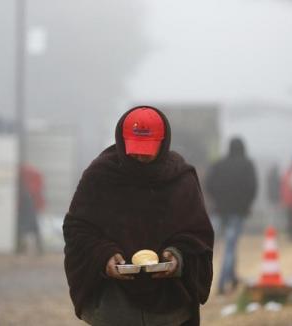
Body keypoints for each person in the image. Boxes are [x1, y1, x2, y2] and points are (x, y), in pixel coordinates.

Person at [63, 106, 214, 326]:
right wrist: (104, 256)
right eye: (134, 148)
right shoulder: (100, 176)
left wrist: (177, 257)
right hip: (114, 308)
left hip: (169, 310)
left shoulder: (181, 179)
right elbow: (77, 229)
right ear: (122, 141)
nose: (140, 155)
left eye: (147, 149)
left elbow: (198, 235)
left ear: (163, 143)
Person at [205, 137, 257, 295]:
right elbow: (252, 187)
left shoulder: (219, 165)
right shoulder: (247, 165)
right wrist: (245, 204)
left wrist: (218, 199)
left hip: (219, 210)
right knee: (230, 247)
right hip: (237, 212)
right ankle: (222, 283)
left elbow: (208, 184)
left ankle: (232, 278)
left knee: (215, 246)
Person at [17, 164, 45, 254]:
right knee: (33, 230)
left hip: (29, 209)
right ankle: (35, 248)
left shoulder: (27, 179)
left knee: (28, 229)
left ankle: (24, 248)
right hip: (30, 209)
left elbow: (38, 194)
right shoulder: (33, 177)